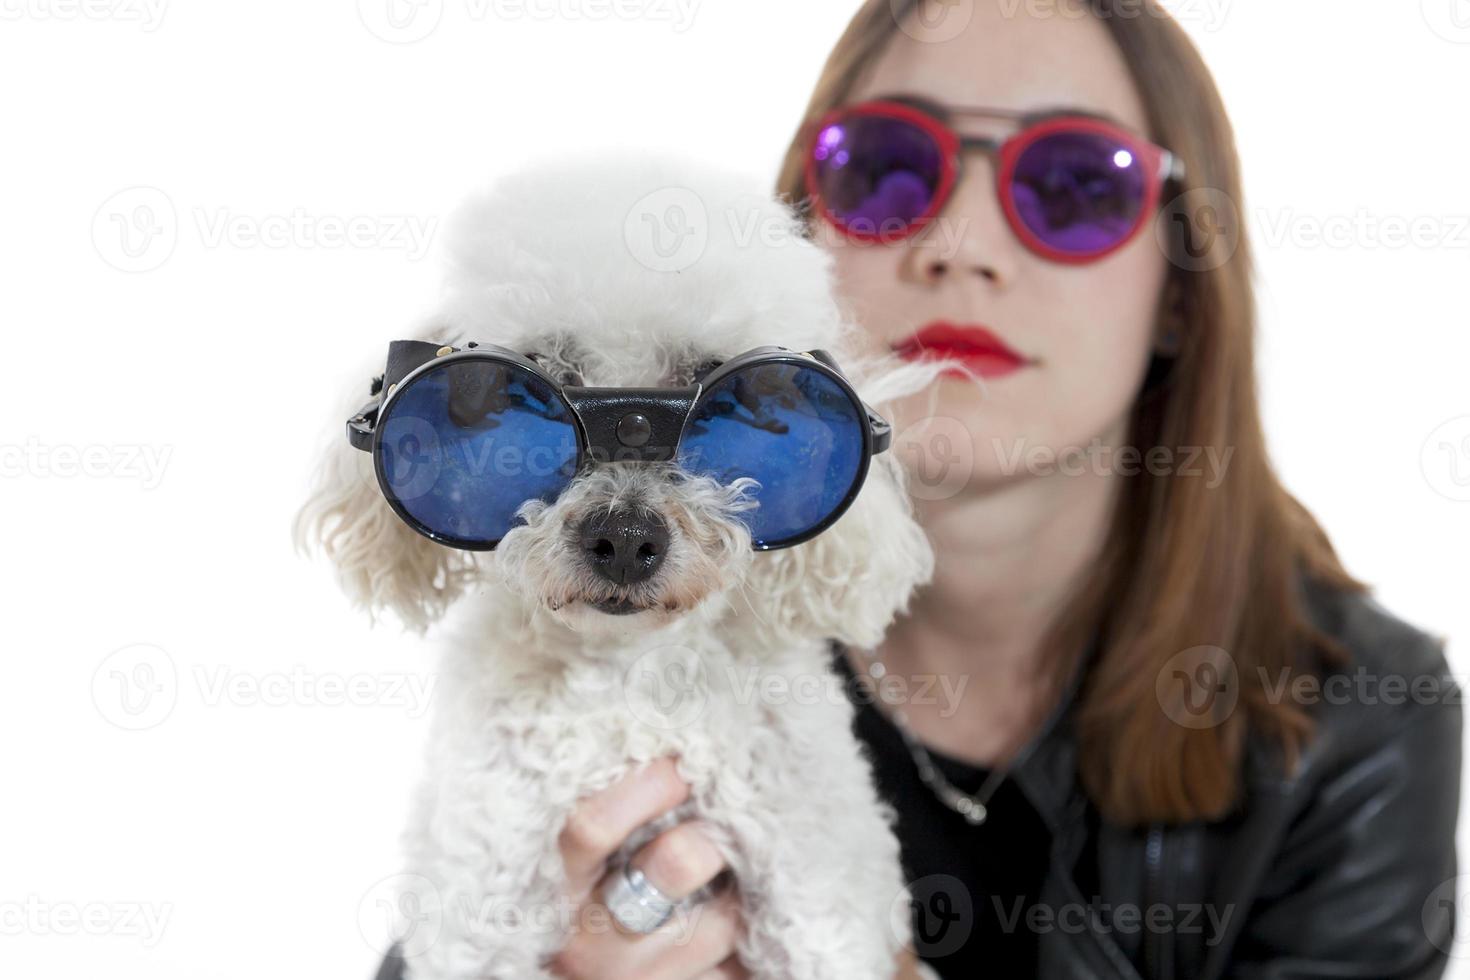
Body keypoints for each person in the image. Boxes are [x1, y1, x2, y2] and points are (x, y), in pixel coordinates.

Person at [377, 1, 1461, 977]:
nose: (961, 246)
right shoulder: (599, 638)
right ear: (799, 238)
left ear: (1180, 283)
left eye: (1078, 184)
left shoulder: (1359, 720)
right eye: (888, 169)